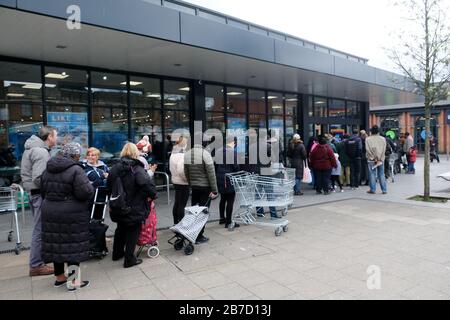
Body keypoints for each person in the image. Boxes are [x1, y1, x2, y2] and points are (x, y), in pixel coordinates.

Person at [40, 142, 94, 291]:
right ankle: (73, 281)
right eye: (79, 154)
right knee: (72, 247)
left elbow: (42, 190)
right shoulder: (75, 170)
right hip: (70, 213)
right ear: (74, 155)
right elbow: (85, 192)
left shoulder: (48, 168)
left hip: (50, 210)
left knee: (56, 245)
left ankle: (60, 278)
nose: (79, 157)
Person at [107, 143, 157, 268]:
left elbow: (108, 186)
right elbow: (145, 184)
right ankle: (129, 259)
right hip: (135, 205)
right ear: (136, 153)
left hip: (118, 205)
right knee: (133, 230)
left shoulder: (115, 168)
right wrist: (153, 194)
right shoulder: (136, 168)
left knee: (121, 228)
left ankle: (117, 253)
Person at [20, 126, 58, 277]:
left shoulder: (31, 148)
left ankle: (39, 262)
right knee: (40, 229)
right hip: (39, 194)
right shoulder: (41, 152)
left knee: (40, 228)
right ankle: (36, 265)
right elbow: (40, 178)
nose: (57, 138)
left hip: (33, 194)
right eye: (56, 135)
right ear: (49, 137)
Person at [184, 141, 218, 244]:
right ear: (205, 144)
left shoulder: (188, 154)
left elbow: (186, 172)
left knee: (194, 211)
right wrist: (215, 190)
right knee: (203, 213)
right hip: (205, 188)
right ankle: (199, 236)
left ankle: (193, 233)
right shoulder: (205, 154)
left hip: (195, 187)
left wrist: (191, 183)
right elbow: (211, 174)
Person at [216, 136, 240, 228]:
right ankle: (229, 222)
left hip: (220, 177)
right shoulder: (232, 152)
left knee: (223, 199)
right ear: (233, 142)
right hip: (229, 178)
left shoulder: (219, 151)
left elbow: (216, 164)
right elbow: (236, 167)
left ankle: (222, 218)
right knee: (230, 199)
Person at [169, 135, 189, 225]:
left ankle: (175, 223)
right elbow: (182, 171)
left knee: (177, 202)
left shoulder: (173, 154)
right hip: (183, 182)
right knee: (182, 204)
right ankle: (181, 225)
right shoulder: (182, 155)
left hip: (175, 181)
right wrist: (188, 180)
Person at [366, 125, 387, 194]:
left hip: (371, 159)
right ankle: (384, 190)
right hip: (381, 160)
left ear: (371, 131)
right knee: (381, 174)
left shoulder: (368, 139)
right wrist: (380, 158)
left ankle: (373, 189)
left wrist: (374, 158)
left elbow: (368, 150)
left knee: (372, 174)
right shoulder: (383, 139)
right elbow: (384, 150)